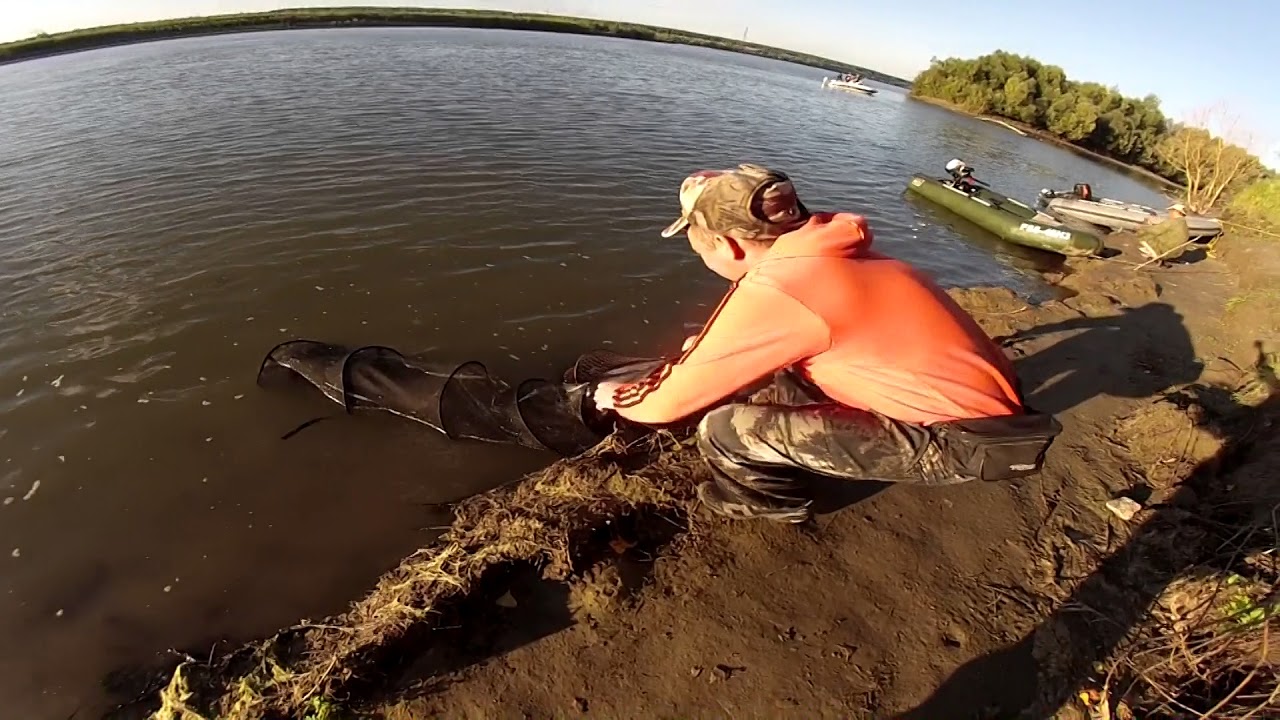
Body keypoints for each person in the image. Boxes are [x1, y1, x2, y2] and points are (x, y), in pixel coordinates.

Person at [590, 163, 1061, 524]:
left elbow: (660, 407)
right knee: (777, 372)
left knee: (726, 429)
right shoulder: (839, 254)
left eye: (697, 245)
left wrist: (613, 397)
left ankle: (762, 505)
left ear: (727, 244)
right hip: (996, 410)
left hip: (966, 444)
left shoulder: (782, 287)